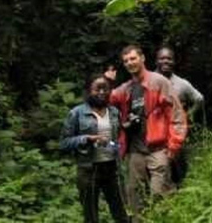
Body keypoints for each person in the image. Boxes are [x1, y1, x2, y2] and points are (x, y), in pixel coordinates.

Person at [110, 45, 187, 222]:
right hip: (135, 150)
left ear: (142, 58)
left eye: (133, 58)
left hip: (158, 148)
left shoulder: (158, 82)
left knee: (160, 193)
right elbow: (107, 98)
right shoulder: (126, 88)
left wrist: (174, 145)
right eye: (126, 61)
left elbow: (176, 114)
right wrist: (107, 80)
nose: (130, 63)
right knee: (135, 197)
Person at [59, 73, 129, 223]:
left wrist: (117, 147)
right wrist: (87, 139)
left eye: (105, 89)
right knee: (90, 215)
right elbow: (64, 143)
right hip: (88, 170)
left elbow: (116, 138)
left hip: (112, 169)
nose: (102, 92)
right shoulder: (77, 113)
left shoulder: (114, 112)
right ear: (89, 91)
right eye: (97, 89)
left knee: (121, 212)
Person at [155, 46, 204, 186]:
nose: (166, 61)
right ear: (156, 61)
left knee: (178, 162)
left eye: (169, 58)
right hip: (154, 130)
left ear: (174, 62)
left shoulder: (182, 83)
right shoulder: (148, 80)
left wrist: (188, 116)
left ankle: (181, 191)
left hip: (175, 130)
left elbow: (199, 99)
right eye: (162, 58)